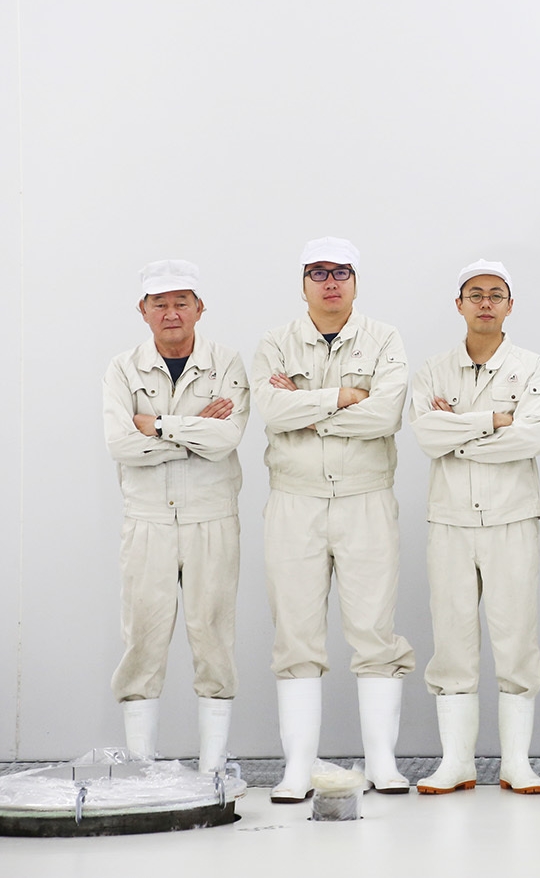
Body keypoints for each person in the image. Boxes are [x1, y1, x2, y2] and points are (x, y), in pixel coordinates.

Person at [251, 237, 415, 802]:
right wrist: (345, 396)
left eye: (340, 272)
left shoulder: (384, 338)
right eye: (318, 273)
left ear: (355, 281)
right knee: (295, 631)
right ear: (303, 283)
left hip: (366, 497)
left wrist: (307, 408)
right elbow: (270, 410)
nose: (329, 282)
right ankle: (297, 769)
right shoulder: (275, 342)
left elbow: (385, 415)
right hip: (294, 500)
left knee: (375, 631)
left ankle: (383, 763)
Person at [410, 259, 540, 794]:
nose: (486, 303)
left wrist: (458, 431)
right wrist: (493, 420)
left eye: (496, 294)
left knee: (516, 637)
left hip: (512, 517)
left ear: (510, 305)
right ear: (459, 304)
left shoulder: (530, 366)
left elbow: (531, 438)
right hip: (450, 519)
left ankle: (517, 762)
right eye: (476, 294)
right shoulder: (434, 369)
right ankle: (457, 762)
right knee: (451, 639)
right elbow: (427, 436)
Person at [102, 260, 248, 773]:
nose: (171, 313)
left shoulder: (226, 362)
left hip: (213, 516)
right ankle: (142, 767)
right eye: (160, 304)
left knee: (214, 636)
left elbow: (226, 438)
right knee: (142, 638)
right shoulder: (123, 368)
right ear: (142, 311)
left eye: (181, 302)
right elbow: (121, 443)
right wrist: (190, 431)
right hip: (147, 520)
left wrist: (157, 426)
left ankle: (213, 767)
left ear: (199, 308)